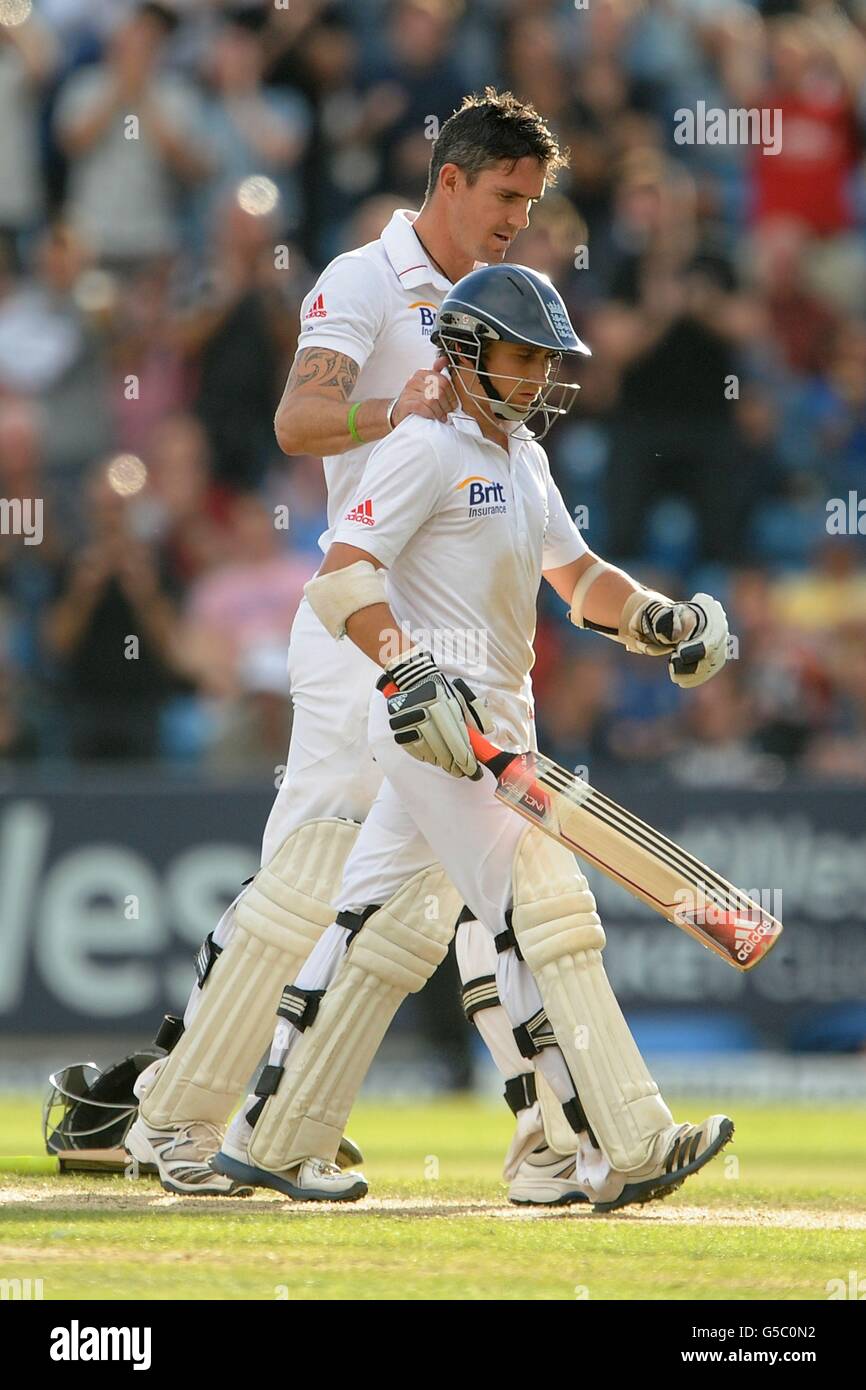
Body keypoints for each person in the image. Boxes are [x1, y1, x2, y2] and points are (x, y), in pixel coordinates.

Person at [127, 90, 598, 1205]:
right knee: (314, 877)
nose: (516, 223)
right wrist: (402, 406)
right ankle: (185, 1123)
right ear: (448, 179)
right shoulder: (360, 278)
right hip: (360, 620)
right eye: (503, 198)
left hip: (447, 638)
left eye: (530, 205)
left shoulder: (492, 294)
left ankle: (538, 1138)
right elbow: (296, 423)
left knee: (451, 889)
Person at [212, 264, 733, 1210]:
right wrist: (409, 669)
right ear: (463, 351)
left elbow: (576, 577)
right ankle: (611, 1146)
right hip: (432, 725)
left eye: (546, 361)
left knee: (366, 925)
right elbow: (340, 576)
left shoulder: (523, 459)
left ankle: (267, 1137)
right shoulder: (424, 447)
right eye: (520, 355)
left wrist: (659, 621)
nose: (536, 377)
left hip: (498, 723)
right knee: (536, 916)